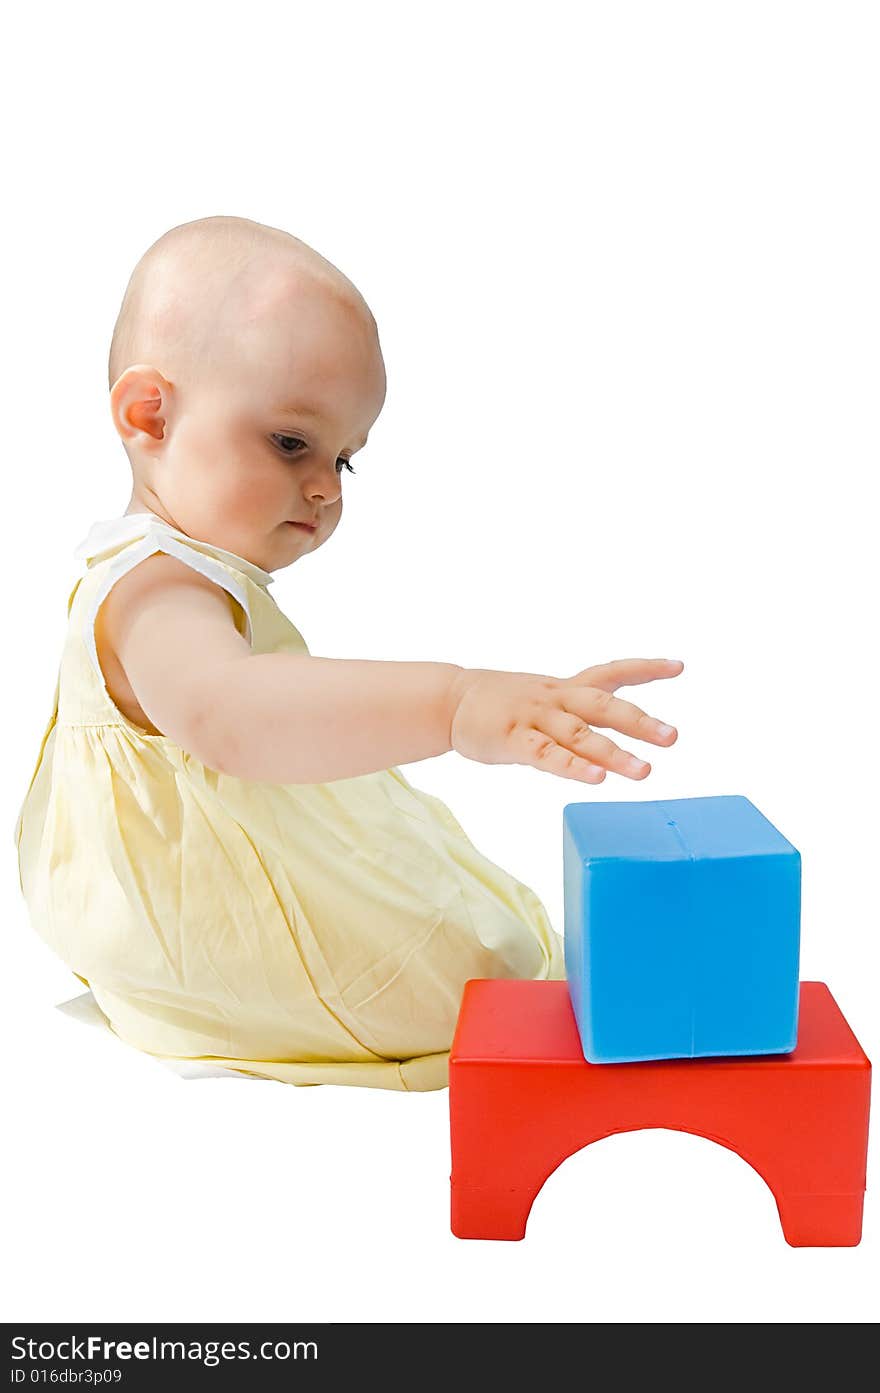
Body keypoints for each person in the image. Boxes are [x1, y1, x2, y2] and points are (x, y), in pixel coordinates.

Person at [14, 215, 684, 1091]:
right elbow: (228, 717)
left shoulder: (178, 574)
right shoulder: (156, 590)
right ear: (151, 415)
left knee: (459, 905)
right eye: (292, 442)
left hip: (199, 908)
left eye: (346, 459)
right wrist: (455, 703)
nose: (326, 486)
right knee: (469, 972)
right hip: (203, 942)